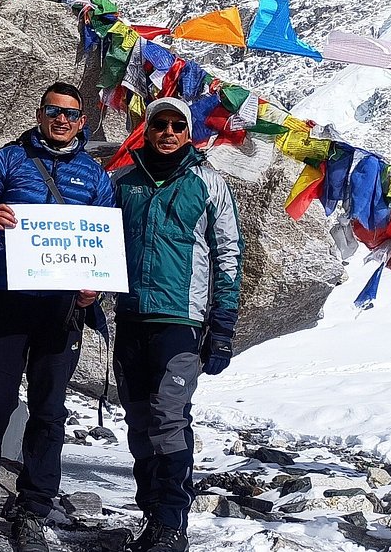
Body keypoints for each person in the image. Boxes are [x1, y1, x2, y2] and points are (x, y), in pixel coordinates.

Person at [0, 81, 115, 552]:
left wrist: (92, 287)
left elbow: (105, 245)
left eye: (71, 115)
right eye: (53, 111)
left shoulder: (95, 176)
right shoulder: (7, 160)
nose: (61, 120)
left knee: (50, 409)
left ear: (82, 122)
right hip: (7, 298)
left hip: (62, 309)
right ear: (39, 114)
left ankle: (35, 502)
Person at [111, 97, 244, 552]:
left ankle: (172, 523)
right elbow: (96, 242)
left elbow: (229, 255)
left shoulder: (208, 184)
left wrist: (222, 326)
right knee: (137, 418)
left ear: (188, 132)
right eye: (160, 124)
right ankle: (151, 516)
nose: (168, 132)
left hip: (181, 321)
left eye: (177, 125)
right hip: (130, 316)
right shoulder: (122, 182)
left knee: (168, 418)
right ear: (147, 130)